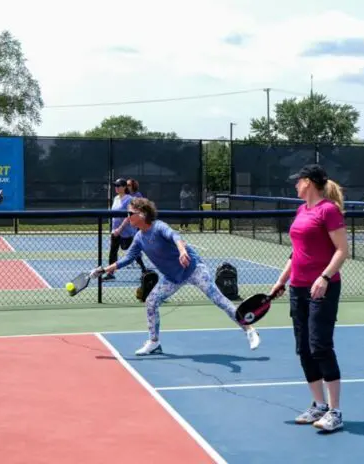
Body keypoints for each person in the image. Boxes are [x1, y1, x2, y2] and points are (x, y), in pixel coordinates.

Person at [91, 197, 260, 356]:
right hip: (172, 277)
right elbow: (128, 258)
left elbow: (175, 236)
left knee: (219, 300)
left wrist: (182, 251)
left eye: (130, 214)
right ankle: (154, 342)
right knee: (151, 302)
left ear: (142, 214)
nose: (127, 217)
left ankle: (249, 330)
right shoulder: (139, 238)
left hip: (193, 270)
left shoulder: (158, 227)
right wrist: (105, 269)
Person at [269, 164, 349, 432]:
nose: (295, 185)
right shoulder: (301, 210)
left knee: (320, 346)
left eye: (298, 181)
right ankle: (318, 405)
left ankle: (335, 411)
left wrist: (324, 277)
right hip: (298, 288)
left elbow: (342, 250)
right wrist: (281, 281)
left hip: (322, 288)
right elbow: (296, 252)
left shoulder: (329, 210)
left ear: (309, 182)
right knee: (303, 348)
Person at [107, 178, 147, 279]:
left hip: (126, 231)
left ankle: (144, 271)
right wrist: (113, 230)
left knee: (132, 251)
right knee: (113, 251)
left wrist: (120, 229)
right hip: (115, 231)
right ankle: (110, 273)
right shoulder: (116, 198)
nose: (116, 187)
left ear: (124, 187)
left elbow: (129, 216)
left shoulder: (129, 199)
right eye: (115, 185)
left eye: (118, 186)